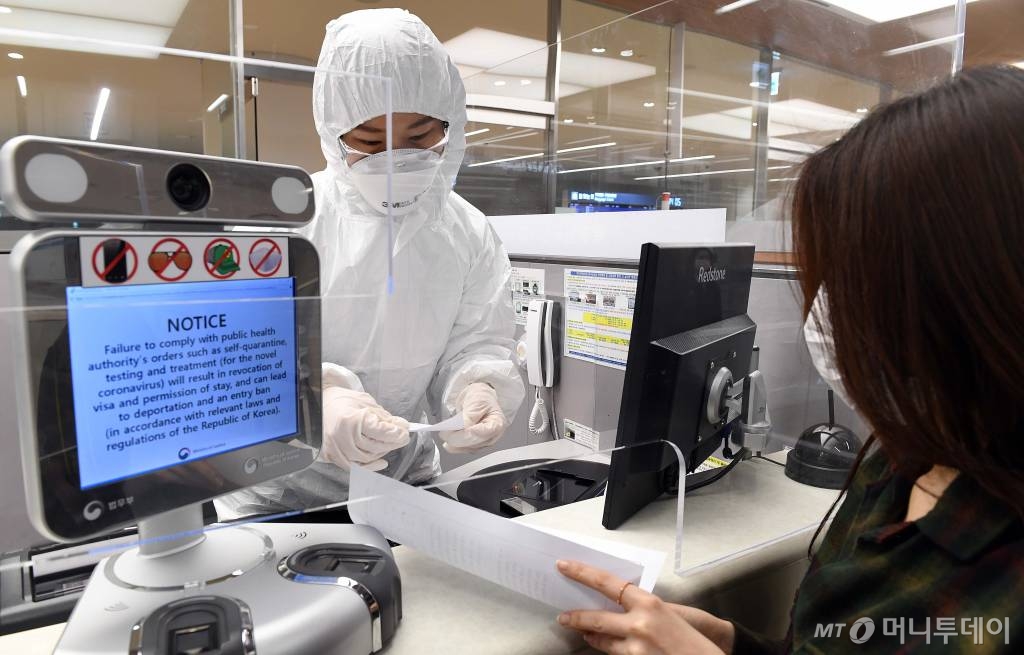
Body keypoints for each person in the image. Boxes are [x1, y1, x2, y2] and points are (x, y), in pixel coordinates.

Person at [555, 65, 1024, 653]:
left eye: (855, 278)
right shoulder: (904, 456)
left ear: (969, 292)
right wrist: (729, 642)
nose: (828, 308)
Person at [219, 9, 524, 517]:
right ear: (333, 133)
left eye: (420, 135)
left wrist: (478, 387)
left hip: (406, 483)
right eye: (369, 141)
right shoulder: (284, 222)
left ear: (450, 122)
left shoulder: (466, 230)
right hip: (277, 492)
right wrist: (318, 403)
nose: (396, 157)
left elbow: (477, 339)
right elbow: (234, 355)